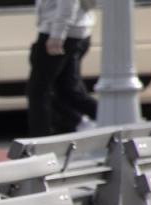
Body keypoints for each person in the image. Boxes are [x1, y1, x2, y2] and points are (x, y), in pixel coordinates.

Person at [26, 0, 99, 137]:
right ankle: (104, 119)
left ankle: (40, 140)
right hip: (77, 31)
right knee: (67, 89)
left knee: (38, 90)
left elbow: (68, 4)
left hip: (60, 34)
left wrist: (57, 35)